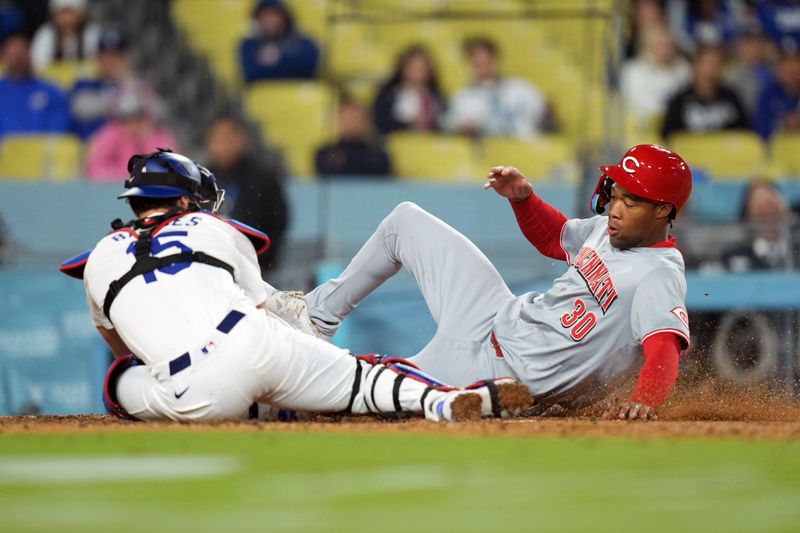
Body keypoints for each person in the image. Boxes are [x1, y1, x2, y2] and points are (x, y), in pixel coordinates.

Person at [58, 149, 531, 422]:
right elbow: (262, 310)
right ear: (183, 199)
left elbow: (117, 342)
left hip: (190, 392)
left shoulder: (99, 255)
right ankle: (444, 401)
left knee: (119, 380)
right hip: (256, 340)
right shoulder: (213, 228)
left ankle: (271, 407)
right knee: (363, 379)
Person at [270, 145, 693, 421]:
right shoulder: (608, 229)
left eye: (631, 201)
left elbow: (662, 349)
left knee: (362, 385)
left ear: (662, 211)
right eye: (616, 194)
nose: (616, 209)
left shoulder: (658, 274)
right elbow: (553, 238)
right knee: (405, 221)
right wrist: (524, 200)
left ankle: (274, 394)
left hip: (495, 375)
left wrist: (645, 401)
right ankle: (316, 316)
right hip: (493, 313)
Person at [204, 115, 289, 272]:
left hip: (254, 267)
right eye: (219, 139)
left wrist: (262, 261)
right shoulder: (199, 179)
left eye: (229, 138)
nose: (225, 145)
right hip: (209, 267)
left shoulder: (263, 179)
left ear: (242, 140)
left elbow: (278, 221)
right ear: (209, 144)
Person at [444, 37, 555, 138]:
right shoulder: (462, 98)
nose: (483, 66)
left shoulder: (521, 88)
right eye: (477, 62)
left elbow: (544, 118)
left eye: (486, 60)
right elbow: (454, 127)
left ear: (496, 59)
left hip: (525, 149)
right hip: (487, 153)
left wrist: (547, 111)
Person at [68, 28, 155, 141]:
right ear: (97, 57)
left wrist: (125, 80)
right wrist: (118, 101)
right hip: (90, 149)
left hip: (129, 150)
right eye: (105, 55)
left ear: (126, 58)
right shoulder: (84, 84)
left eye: (116, 56)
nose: (110, 61)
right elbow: (79, 109)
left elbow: (155, 112)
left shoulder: (137, 85)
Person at [85, 86, 178, 180]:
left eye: (138, 118)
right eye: (126, 119)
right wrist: (128, 175)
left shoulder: (159, 136)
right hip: (116, 190)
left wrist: (146, 140)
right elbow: (95, 169)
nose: (132, 124)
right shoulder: (112, 133)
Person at [661, 45, 749, 139]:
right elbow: (669, 137)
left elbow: (745, 134)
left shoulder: (731, 97)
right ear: (695, 67)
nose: (710, 70)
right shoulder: (679, 101)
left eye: (716, 64)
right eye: (706, 64)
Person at [0, 31, 70, 140]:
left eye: (21, 54)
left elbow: (59, 129)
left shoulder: (51, 91)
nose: (18, 60)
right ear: (3, 57)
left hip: (43, 154)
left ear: (30, 55)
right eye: (13, 54)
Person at [621, 25, 691, 129]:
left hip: (677, 127)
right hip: (643, 127)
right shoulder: (632, 71)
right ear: (647, 45)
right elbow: (637, 106)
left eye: (669, 45)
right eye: (660, 45)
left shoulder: (683, 69)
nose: (665, 50)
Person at [238, 0, 320, 83]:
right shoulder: (249, 44)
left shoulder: (303, 42)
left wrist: (279, 56)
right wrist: (291, 61)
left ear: (284, 17)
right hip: (263, 93)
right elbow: (251, 74)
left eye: (273, 14)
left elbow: (309, 66)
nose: (269, 20)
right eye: (263, 15)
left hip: (298, 93)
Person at [371, 44, 445, 135]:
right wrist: (408, 125)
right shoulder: (389, 96)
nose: (419, 72)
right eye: (415, 67)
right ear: (404, 68)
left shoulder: (437, 97)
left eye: (423, 68)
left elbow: (444, 123)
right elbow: (381, 123)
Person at [721, 180, 794, 271]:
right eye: (761, 211)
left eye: (773, 209)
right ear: (748, 216)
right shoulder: (734, 256)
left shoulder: (795, 249)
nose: (768, 217)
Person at [315, 96, 392, 178]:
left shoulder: (377, 154)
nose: (351, 122)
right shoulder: (326, 153)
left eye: (355, 117)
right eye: (347, 117)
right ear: (338, 119)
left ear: (365, 120)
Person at [30, 0, 100, 72]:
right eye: (62, 13)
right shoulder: (46, 34)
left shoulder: (91, 33)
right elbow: (38, 65)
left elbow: (97, 64)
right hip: (51, 81)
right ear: (54, 15)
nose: (67, 19)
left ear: (81, 15)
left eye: (71, 13)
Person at [726, 24, 775, 117]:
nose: (755, 48)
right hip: (745, 126)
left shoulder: (776, 73)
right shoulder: (733, 77)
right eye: (750, 44)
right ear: (741, 46)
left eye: (760, 43)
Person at [754, 49, 800, 139]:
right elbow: (760, 129)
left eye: (795, 71)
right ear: (779, 70)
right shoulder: (768, 93)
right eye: (788, 70)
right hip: (777, 148)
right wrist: (783, 125)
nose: (792, 75)